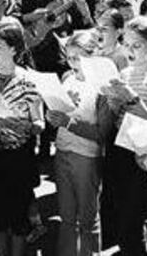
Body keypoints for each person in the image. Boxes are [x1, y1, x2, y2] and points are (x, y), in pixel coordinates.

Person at [98, 16, 147, 255]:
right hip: (120, 151)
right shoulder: (124, 73)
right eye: (127, 44)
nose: (131, 51)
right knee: (121, 219)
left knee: (131, 224)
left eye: (138, 45)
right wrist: (107, 100)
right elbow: (115, 117)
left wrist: (131, 98)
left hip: (145, 156)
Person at [0, 22, 44, 256]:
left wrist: (22, 124)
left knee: (18, 217)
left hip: (19, 159)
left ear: (14, 49)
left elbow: (40, 123)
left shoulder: (29, 81)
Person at [46, 30, 111, 256]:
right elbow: (61, 113)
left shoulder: (103, 87)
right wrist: (53, 117)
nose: (73, 63)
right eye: (69, 57)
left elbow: (103, 132)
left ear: (92, 57)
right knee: (66, 216)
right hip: (62, 150)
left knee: (87, 218)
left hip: (86, 156)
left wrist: (68, 121)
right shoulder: (67, 78)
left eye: (78, 58)